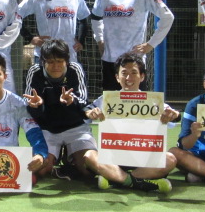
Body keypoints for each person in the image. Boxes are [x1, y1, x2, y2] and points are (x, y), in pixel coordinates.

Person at [23, 39, 130, 187]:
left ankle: (132, 181)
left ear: (67, 61)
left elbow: (83, 102)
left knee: (88, 167)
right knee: (41, 168)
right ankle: (63, 165)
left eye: (60, 61)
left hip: (75, 128)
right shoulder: (35, 72)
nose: (55, 66)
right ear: (43, 62)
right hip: (48, 129)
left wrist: (71, 101)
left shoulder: (75, 69)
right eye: (50, 62)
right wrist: (37, 106)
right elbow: (29, 105)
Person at [85, 52, 179, 192]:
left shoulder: (152, 101)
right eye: (124, 73)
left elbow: (174, 115)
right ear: (117, 77)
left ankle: (115, 179)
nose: (128, 78)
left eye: (134, 73)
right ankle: (137, 182)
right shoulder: (107, 99)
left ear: (142, 76)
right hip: (114, 158)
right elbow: (86, 112)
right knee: (89, 156)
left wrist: (173, 114)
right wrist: (90, 113)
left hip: (144, 159)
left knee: (170, 159)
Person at [90, 0, 174, 91]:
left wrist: (151, 44)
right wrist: (99, 39)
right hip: (110, 59)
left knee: (135, 101)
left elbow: (168, 17)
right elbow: (96, 18)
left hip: (134, 61)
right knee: (110, 102)